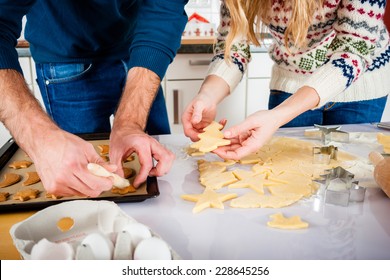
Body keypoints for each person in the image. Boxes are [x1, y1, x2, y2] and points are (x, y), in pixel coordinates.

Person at [0, 0, 188, 197]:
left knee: (159, 176)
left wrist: (130, 123)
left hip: (137, 52)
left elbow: (163, 13)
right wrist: (40, 139)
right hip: (65, 56)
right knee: (81, 182)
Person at [182, 0, 390, 160]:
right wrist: (207, 95)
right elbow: (232, 48)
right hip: (291, 82)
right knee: (288, 167)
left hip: (360, 87)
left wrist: (277, 115)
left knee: (354, 171)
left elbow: (354, 50)